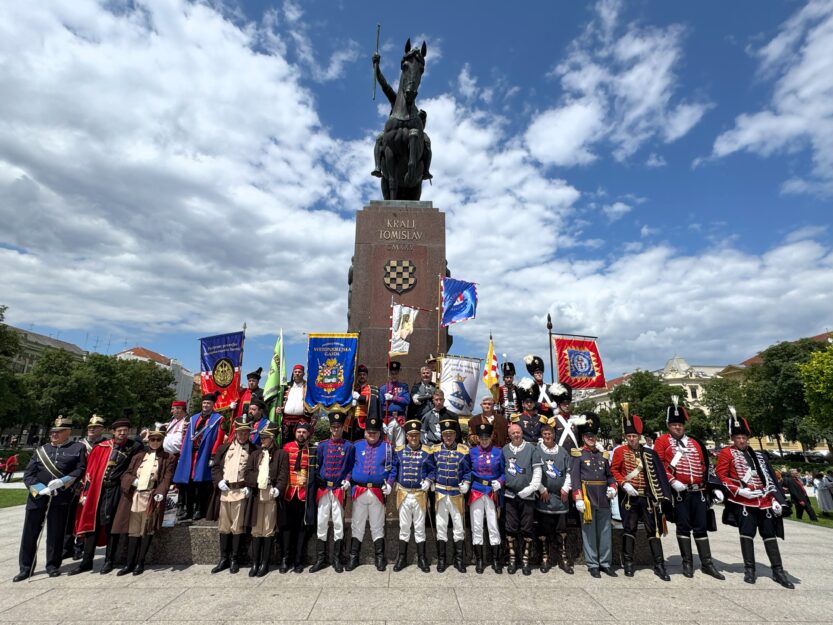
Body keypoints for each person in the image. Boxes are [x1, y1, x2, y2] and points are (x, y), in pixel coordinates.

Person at [716, 409, 793, 588]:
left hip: (764, 500)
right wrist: (738, 491)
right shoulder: (727, 453)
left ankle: (778, 570)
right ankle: (749, 569)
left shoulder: (758, 455)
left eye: (743, 437)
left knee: (769, 535)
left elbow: (770, 478)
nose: (741, 440)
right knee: (747, 535)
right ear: (732, 439)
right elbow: (722, 476)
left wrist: (775, 498)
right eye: (737, 438)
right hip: (743, 500)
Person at [654, 397, 725, 580]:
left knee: (701, 527)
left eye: (680, 424)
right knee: (683, 526)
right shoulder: (662, 441)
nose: (677, 427)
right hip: (680, 492)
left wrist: (713, 487)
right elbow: (659, 465)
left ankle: (707, 563)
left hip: (699, 490)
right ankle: (687, 563)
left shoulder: (695, 442)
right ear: (668, 425)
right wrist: (671, 481)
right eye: (674, 424)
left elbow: (704, 465)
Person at [15, 416, 86, 581]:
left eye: (59, 432)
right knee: (30, 534)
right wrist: (41, 490)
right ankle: (26, 567)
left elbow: (80, 469)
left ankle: (53, 565)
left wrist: (63, 481)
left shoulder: (77, 448)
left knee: (56, 533)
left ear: (67, 432)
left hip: (60, 497)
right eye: (53, 432)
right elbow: (28, 475)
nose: (54, 434)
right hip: (37, 498)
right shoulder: (42, 450)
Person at [70, 417, 143, 575]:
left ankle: (109, 560)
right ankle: (86, 561)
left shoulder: (134, 447)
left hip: (116, 489)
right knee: (91, 523)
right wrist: (85, 491)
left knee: (110, 524)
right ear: (113, 432)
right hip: (97, 489)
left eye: (125, 430)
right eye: (119, 431)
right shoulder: (101, 447)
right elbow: (90, 470)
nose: (122, 433)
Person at [610, 412, 672, 580]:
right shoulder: (620, 452)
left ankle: (659, 565)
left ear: (640, 436)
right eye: (629, 436)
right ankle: (628, 563)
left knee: (654, 530)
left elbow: (658, 475)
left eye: (634, 436)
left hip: (647, 498)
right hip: (629, 498)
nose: (632, 439)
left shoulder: (649, 453)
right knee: (629, 529)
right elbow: (614, 470)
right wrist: (624, 483)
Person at [112, 424, 176, 576]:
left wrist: (161, 492)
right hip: (135, 496)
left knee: (146, 530)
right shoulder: (138, 456)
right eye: (152, 439)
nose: (155, 442)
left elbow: (167, 478)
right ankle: (129, 563)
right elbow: (126, 474)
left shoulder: (168, 458)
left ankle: (140, 562)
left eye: (158, 439)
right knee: (133, 531)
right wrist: (132, 481)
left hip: (151, 496)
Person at [207, 416, 257, 574]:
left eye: (245, 433)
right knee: (224, 526)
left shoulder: (254, 450)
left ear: (249, 433)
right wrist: (218, 481)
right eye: (240, 432)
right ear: (235, 432)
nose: (242, 436)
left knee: (237, 527)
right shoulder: (224, 448)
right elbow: (215, 467)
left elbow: (256, 470)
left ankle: (234, 558)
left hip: (241, 492)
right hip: (225, 491)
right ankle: (223, 558)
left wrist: (250, 486)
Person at [570, 412, 617, 578]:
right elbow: (575, 478)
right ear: (583, 437)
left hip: (603, 497)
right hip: (587, 497)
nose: (591, 438)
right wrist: (578, 498)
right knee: (589, 533)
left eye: (593, 435)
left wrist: (613, 486)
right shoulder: (578, 454)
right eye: (588, 435)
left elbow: (610, 475)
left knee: (605, 532)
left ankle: (605, 563)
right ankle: (592, 564)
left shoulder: (602, 455)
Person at [346, 413, 394, 572]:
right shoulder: (357, 446)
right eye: (369, 432)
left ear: (380, 432)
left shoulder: (387, 447)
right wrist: (347, 480)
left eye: (374, 432)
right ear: (365, 432)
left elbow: (393, 468)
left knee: (377, 525)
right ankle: (354, 557)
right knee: (357, 524)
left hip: (377, 492)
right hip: (359, 490)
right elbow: (349, 465)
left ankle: (380, 557)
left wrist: (390, 484)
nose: (371, 435)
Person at [310, 412, 355, 573]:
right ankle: (321, 558)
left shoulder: (349, 446)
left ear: (343, 428)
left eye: (338, 427)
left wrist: (348, 479)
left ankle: (336, 558)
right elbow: (318, 465)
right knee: (321, 522)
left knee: (338, 523)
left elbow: (350, 467)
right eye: (333, 427)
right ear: (330, 428)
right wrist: (318, 477)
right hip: (324, 489)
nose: (336, 430)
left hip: (338, 489)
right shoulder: (322, 446)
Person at [389, 418, 436, 572]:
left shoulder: (427, 452)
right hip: (403, 493)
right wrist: (390, 483)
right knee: (404, 527)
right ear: (407, 436)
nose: (413, 438)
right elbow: (394, 469)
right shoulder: (399, 451)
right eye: (411, 435)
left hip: (419, 494)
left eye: (416, 435)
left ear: (419, 435)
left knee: (420, 527)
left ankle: (422, 558)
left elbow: (432, 469)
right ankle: (401, 558)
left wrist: (429, 480)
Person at [244, 424, 289, 577]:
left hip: (271, 493)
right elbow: (248, 473)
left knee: (268, 529)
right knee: (256, 529)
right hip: (258, 493)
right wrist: (256, 481)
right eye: (261, 438)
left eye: (265, 438)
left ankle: (265, 563)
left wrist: (279, 488)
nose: (262, 440)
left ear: (272, 439)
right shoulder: (255, 454)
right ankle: (255, 563)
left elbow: (284, 474)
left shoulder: (281, 454)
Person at [173, 392, 225, 522]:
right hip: (191, 455)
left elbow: (218, 438)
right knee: (188, 484)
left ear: (213, 405)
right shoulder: (193, 418)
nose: (206, 405)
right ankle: (188, 510)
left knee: (201, 484)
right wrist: (182, 454)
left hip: (204, 455)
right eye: (204, 403)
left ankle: (199, 510)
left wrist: (213, 455)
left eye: (208, 403)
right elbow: (186, 437)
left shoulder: (218, 419)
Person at [430, 417, 471, 573]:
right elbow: (431, 468)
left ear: (455, 435)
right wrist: (430, 480)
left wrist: (466, 483)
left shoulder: (463, 450)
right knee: (441, 526)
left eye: (451, 434)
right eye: (445, 434)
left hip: (456, 493)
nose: (448, 437)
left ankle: (458, 559)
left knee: (458, 527)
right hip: (440, 492)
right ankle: (442, 559)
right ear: (442, 435)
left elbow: (467, 471)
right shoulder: (434, 450)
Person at [63, 414, 107, 560]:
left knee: (87, 516)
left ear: (102, 429)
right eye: (90, 427)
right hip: (78, 486)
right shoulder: (80, 444)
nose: (92, 429)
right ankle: (67, 546)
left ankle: (80, 546)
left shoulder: (106, 445)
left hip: (95, 487)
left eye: (95, 427)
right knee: (71, 517)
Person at [502, 422, 542, 575]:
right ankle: (512, 559)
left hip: (528, 495)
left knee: (527, 527)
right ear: (509, 435)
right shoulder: (505, 450)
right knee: (511, 527)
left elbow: (537, 471)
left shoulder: (532, 449)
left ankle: (526, 559)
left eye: (518, 432)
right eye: (513, 433)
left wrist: (531, 488)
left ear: (522, 432)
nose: (516, 435)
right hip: (510, 494)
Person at [533, 424, 573, 575]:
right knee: (545, 529)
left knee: (561, 530)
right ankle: (545, 557)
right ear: (542, 436)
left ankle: (563, 559)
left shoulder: (562, 451)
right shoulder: (537, 451)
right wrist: (542, 489)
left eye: (550, 434)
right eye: (545, 434)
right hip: (544, 496)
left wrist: (566, 488)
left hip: (561, 496)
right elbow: (534, 471)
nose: (547, 437)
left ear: (554, 435)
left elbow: (569, 471)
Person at [468, 421, 504, 574]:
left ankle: (495, 560)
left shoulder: (499, 452)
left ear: (491, 437)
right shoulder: (471, 452)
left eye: (486, 438)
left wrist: (500, 482)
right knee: (476, 526)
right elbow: (467, 471)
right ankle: (479, 560)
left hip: (492, 491)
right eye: (481, 438)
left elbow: (504, 472)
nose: (484, 441)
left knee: (493, 526)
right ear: (478, 438)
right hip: (476, 490)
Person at [280, 421, 316, 573]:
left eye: (304, 432)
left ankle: (298, 560)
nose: (301, 434)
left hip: (303, 496)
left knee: (302, 529)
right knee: (286, 528)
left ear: (308, 434)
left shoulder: (313, 450)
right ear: (295, 433)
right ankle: (284, 559)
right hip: (288, 494)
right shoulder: (286, 448)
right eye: (299, 432)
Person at [276, 364, 310, 445]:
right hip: (286, 421)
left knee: (300, 443)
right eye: (295, 372)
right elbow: (280, 401)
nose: (297, 373)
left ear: (303, 374)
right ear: (293, 373)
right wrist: (279, 408)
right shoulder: (286, 386)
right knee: (286, 444)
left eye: (299, 372)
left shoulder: (308, 387)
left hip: (302, 420)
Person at [380, 360, 410, 448]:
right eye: (392, 373)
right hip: (387, 419)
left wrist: (393, 398)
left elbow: (407, 400)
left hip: (400, 418)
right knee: (388, 445)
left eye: (396, 373)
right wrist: (382, 422)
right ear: (389, 374)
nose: (394, 375)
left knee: (400, 445)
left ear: (398, 373)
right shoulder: (383, 388)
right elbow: (380, 405)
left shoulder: (403, 387)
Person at [346, 364, 379, 442]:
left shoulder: (371, 389)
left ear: (367, 376)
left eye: (364, 374)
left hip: (364, 420)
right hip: (351, 420)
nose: (362, 376)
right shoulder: (352, 388)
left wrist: (359, 397)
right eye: (360, 374)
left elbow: (372, 401)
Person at [517, 354, 554, 421]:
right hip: (536, 417)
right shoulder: (529, 388)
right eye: (536, 373)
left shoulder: (550, 387)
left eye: (540, 372)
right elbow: (527, 402)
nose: (539, 374)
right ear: (533, 374)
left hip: (550, 416)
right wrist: (543, 405)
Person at [549, 383, 582, 452]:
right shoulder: (553, 421)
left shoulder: (575, 420)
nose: (567, 405)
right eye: (564, 404)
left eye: (568, 403)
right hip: (559, 455)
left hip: (575, 456)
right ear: (559, 405)